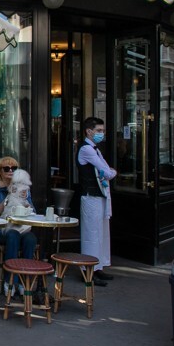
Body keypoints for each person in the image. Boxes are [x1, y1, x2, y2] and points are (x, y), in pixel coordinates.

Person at [0, 158, 38, 294]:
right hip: (2, 229)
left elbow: (33, 211)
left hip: (21, 227)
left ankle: (24, 281)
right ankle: (10, 281)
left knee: (30, 239)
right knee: (13, 235)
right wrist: (10, 195)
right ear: (0, 172)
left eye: (14, 168)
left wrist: (25, 199)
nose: (10, 171)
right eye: (6, 168)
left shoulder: (24, 189)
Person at [78, 116, 116, 285]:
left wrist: (109, 171)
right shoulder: (86, 150)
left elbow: (106, 169)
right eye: (99, 131)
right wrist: (111, 173)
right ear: (89, 131)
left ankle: (98, 267)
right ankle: (89, 271)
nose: (102, 133)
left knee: (101, 232)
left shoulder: (95, 150)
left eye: (102, 130)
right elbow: (107, 172)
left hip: (99, 195)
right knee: (91, 234)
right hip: (90, 196)